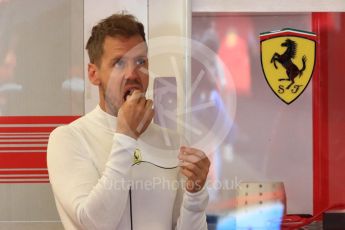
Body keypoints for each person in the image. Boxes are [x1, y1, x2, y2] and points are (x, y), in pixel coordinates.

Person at [47, 13, 210, 230]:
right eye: (119, 63)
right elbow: (94, 223)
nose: (132, 73)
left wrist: (195, 195)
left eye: (140, 61)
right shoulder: (68, 139)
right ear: (94, 74)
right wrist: (126, 137)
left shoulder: (172, 142)